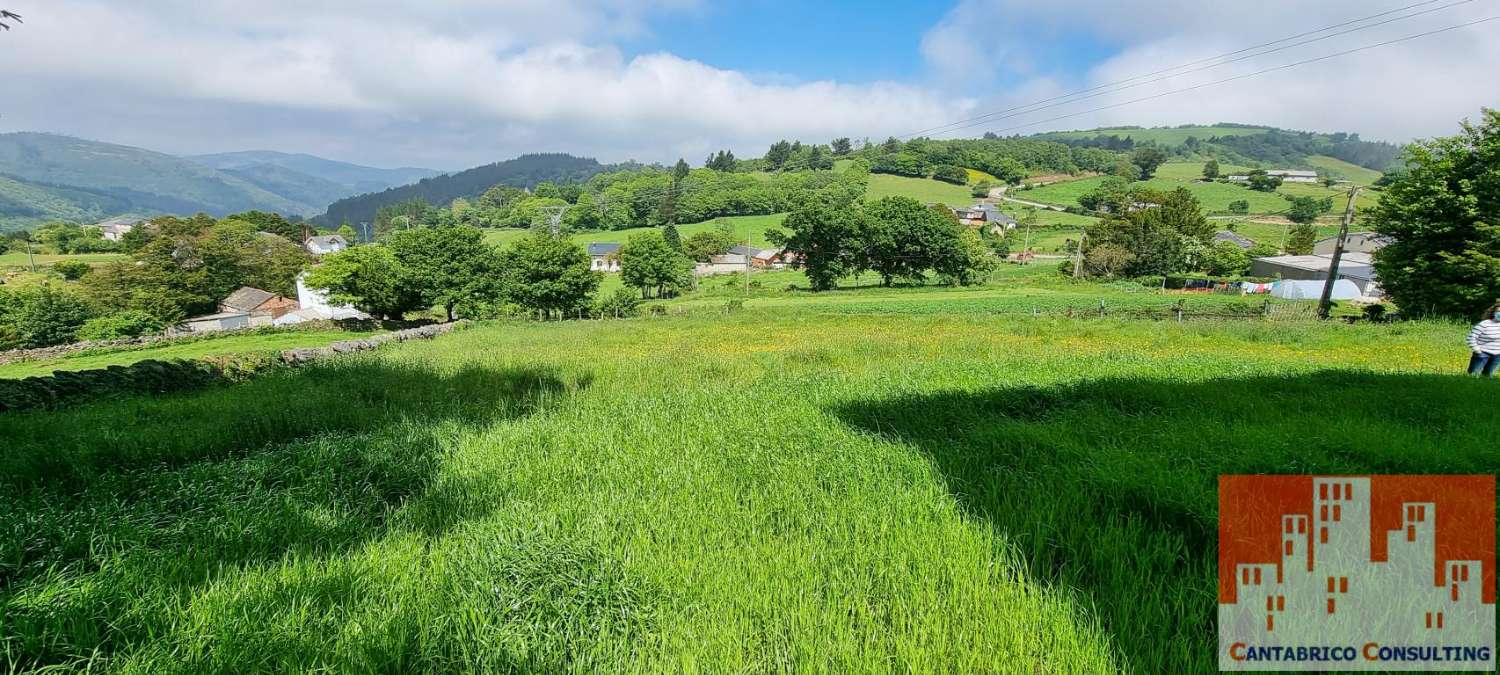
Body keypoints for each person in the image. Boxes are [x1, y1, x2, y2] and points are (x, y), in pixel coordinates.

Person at [1466, 302, 1500, 376]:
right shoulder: (1484, 324)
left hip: (1497, 355)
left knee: (1488, 376)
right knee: (1473, 375)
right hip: (1482, 353)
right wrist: (1477, 350)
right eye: (1498, 311)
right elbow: (1471, 337)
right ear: (1493, 313)